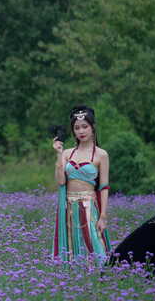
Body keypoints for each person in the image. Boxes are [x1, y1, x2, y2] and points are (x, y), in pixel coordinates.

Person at [52, 105, 111, 264]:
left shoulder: (101, 154)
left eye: (85, 126)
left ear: (93, 128)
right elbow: (61, 181)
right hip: (69, 206)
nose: (81, 131)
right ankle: (72, 280)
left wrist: (103, 216)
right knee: (70, 245)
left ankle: (102, 276)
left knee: (95, 242)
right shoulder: (67, 153)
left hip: (90, 206)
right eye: (77, 128)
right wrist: (58, 154)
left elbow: (103, 187)